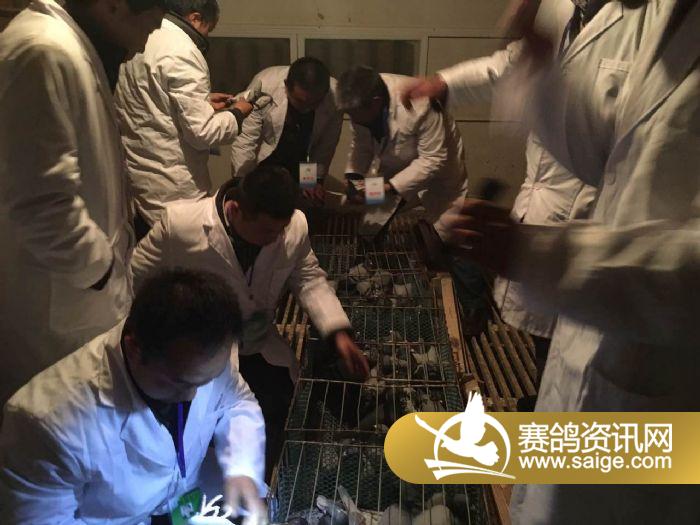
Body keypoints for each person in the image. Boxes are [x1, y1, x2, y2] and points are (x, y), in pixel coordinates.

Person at [446, 0, 700, 522]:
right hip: (600, 335)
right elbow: (604, 146)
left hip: (665, 377)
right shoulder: (656, 16)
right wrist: (543, 67)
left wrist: (543, 257)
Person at [400, 0, 598, 407]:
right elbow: (509, 65)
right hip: (545, 195)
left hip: (587, 209)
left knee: (576, 333)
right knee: (546, 328)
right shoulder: (564, 10)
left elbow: (597, 125)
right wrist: (444, 81)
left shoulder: (639, 27)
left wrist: (384, 190)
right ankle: (545, 397)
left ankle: (556, 406)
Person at [131, 165, 370, 480]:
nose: (277, 238)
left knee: (277, 410)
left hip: (258, 341)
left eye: (281, 229)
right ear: (235, 210)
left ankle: (265, 482)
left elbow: (308, 277)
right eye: (268, 231)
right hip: (203, 350)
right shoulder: (182, 225)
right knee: (203, 432)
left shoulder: (294, 226)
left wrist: (338, 332)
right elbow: (138, 277)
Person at [0, 268, 266, 524]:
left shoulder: (200, 355)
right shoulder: (44, 424)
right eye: (180, 383)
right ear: (134, 349)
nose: (192, 396)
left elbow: (236, 400)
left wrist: (242, 468)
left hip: (181, 502)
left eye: (207, 380)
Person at [0, 0, 165, 409]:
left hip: (79, 296)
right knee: (54, 424)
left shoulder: (70, 47)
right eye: (152, 19)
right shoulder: (42, 50)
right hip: (59, 308)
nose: (150, 38)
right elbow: (41, 205)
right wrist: (101, 270)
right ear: (113, 6)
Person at [336, 65, 486, 329]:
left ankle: (474, 307)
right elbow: (361, 144)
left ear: (376, 101)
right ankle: (369, 272)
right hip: (397, 165)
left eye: (355, 114)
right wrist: (354, 177)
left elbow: (433, 159)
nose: (352, 119)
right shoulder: (362, 108)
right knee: (374, 218)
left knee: (452, 231)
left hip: (440, 169)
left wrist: (388, 188)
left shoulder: (420, 103)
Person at [115, 0, 259, 238]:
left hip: (137, 179)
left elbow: (151, 100)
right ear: (195, 18)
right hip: (174, 187)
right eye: (209, 28)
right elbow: (203, 133)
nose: (207, 36)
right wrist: (238, 113)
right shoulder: (184, 51)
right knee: (182, 254)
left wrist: (203, 102)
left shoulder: (141, 37)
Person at [230, 57, 343, 206]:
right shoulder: (264, 86)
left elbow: (323, 147)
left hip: (299, 157)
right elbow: (245, 141)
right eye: (301, 102)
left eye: (314, 103)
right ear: (286, 86)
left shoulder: (335, 98)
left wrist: (311, 181)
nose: (307, 108)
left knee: (306, 204)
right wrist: (241, 185)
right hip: (265, 158)